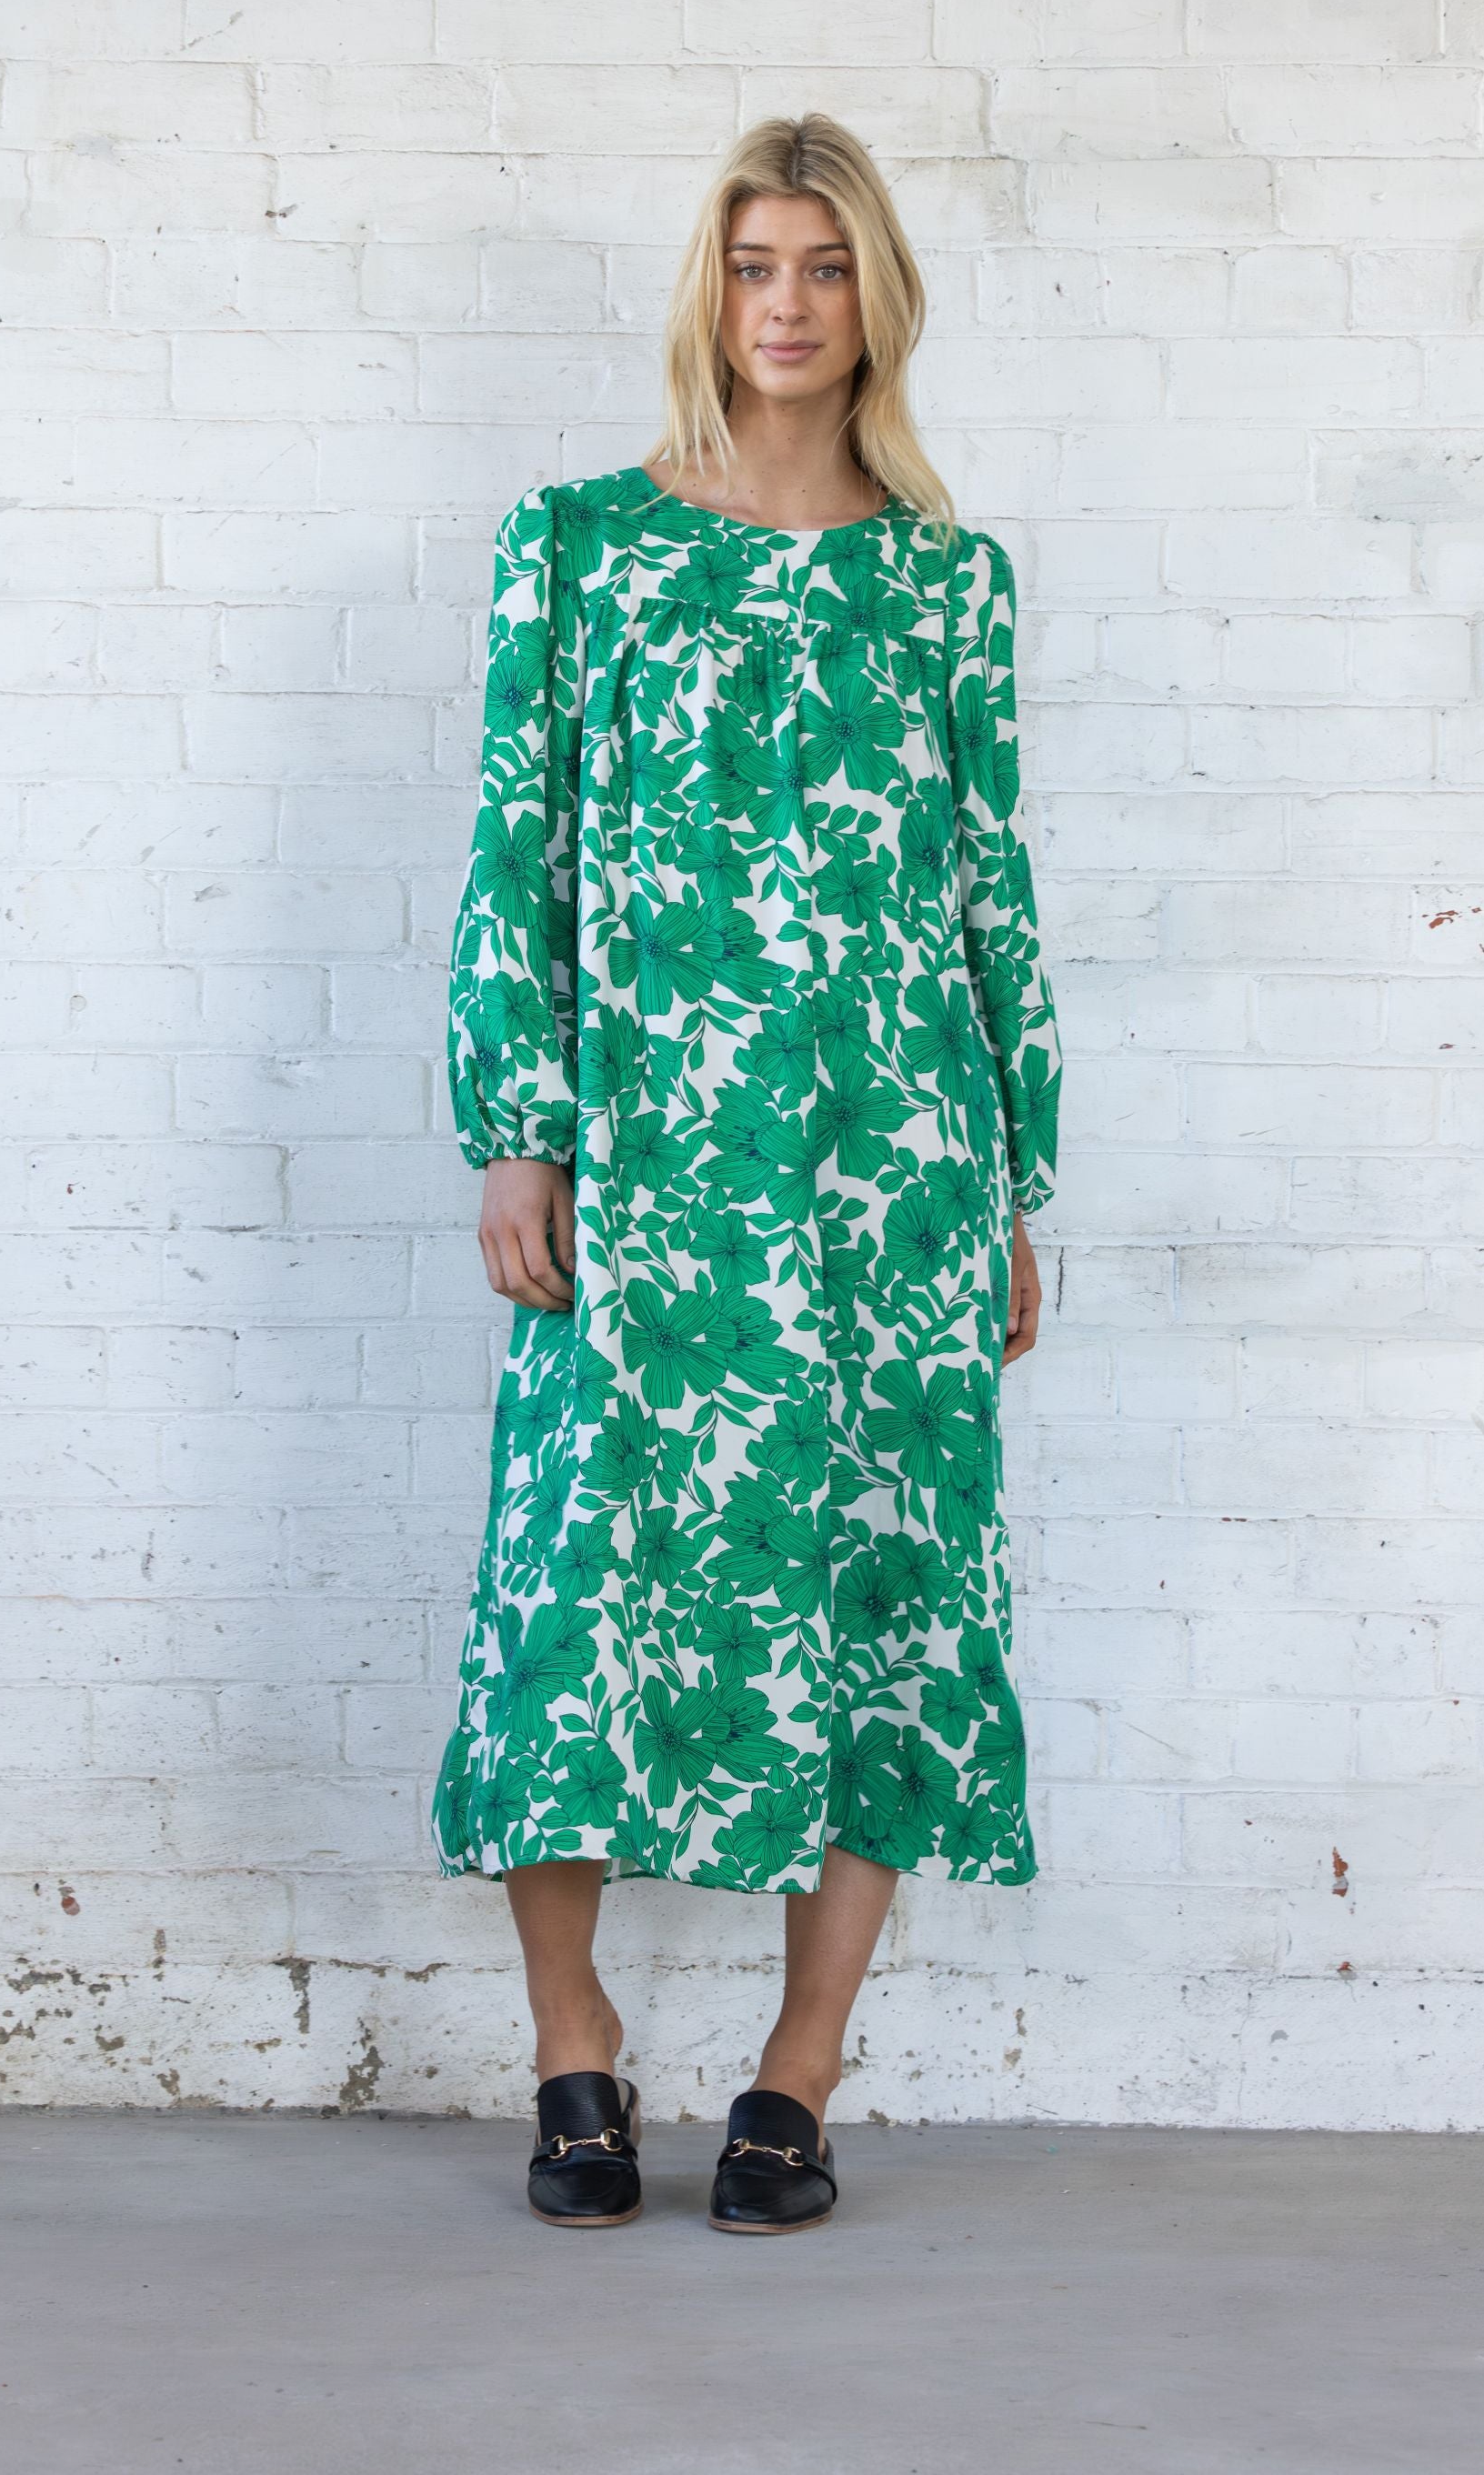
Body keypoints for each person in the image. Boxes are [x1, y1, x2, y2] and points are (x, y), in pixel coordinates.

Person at [431, 113, 1062, 2234]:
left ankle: (799, 2077)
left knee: (888, 1589)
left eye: (820, 269)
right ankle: (572, 2045)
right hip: (650, 1169)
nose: (783, 307)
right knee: (570, 1598)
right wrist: (517, 1132)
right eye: (749, 267)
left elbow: (989, 899)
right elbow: (514, 858)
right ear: (708, 295)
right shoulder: (583, 546)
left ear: (875, 297)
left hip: (893, 1173)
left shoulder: (946, 581)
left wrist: (1016, 1179)